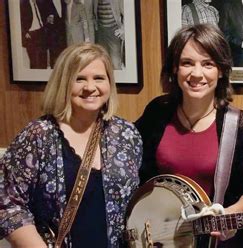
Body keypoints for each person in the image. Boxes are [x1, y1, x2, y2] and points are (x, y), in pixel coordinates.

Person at [0, 43, 142, 247]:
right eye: (79, 78)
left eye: (99, 78)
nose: (90, 87)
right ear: (64, 83)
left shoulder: (126, 134)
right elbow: (8, 205)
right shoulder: (38, 135)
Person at [135, 24, 243, 247]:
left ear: (221, 70)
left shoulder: (240, 126)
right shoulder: (157, 112)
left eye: (208, 64)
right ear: (174, 68)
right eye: (187, 63)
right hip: (161, 239)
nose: (196, 73)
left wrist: (228, 217)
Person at [94, 0, 124, 69]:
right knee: (103, 62)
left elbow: (127, 14)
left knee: (115, 62)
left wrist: (123, 29)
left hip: (113, 32)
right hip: (101, 33)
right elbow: (94, 15)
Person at [20, 0, 49, 69]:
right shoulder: (23, 3)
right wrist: (24, 32)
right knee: (35, 62)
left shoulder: (39, 3)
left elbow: (43, 15)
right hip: (31, 35)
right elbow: (17, 19)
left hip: (41, 32)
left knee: (43, 59)